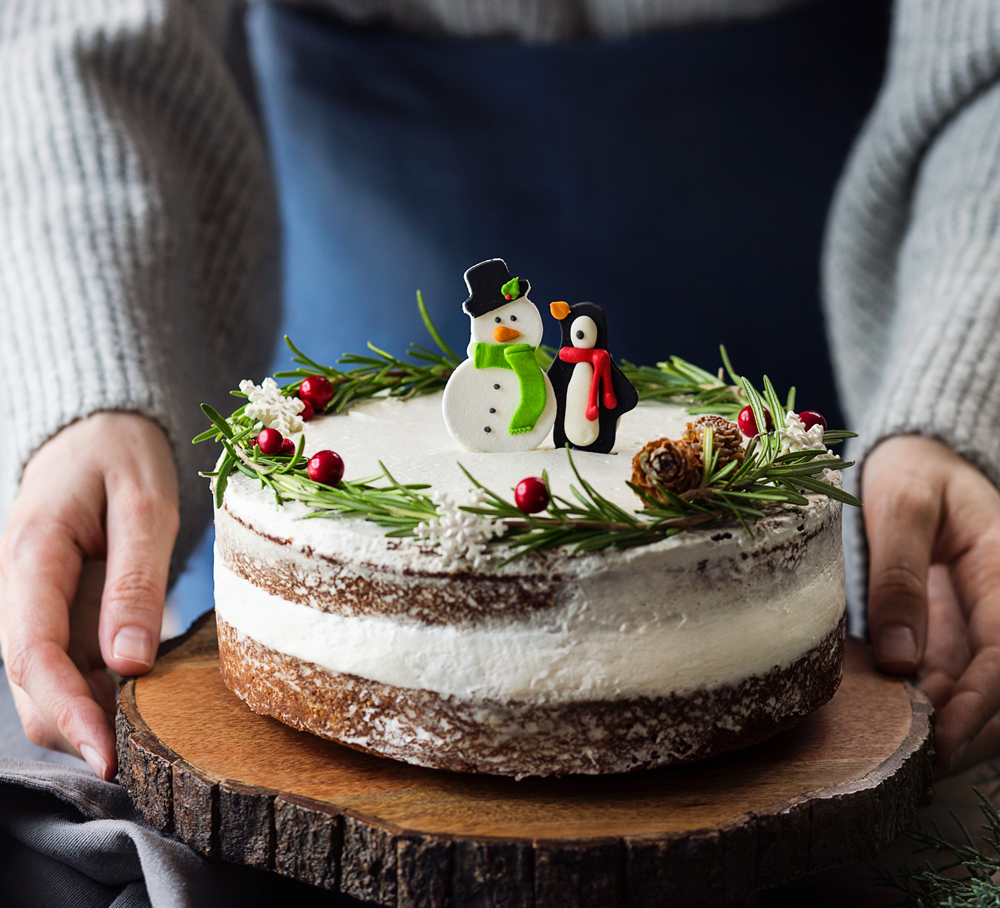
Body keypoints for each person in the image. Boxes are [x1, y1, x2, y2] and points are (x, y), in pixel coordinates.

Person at [2, 0, 1000, 793]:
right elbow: (72, 28)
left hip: (836, 395)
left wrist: (966, 388)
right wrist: (95, 370)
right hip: (353, 401)